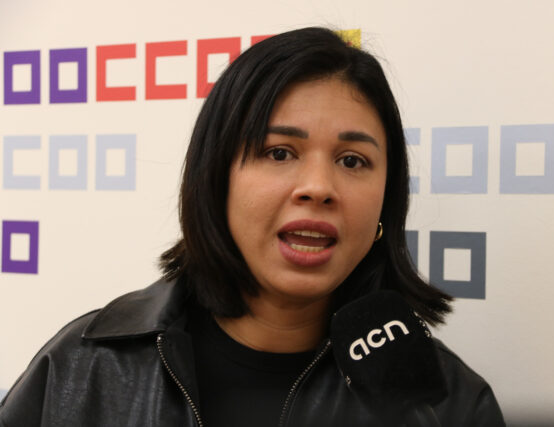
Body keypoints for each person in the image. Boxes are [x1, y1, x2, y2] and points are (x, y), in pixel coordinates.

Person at [0, 27, 504, 426]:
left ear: (385, 203)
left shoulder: (448, 403)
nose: (318, 187)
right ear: (216, 178)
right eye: (279, 152)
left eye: (352, 161)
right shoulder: (83, 367)